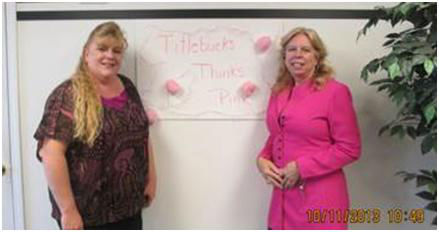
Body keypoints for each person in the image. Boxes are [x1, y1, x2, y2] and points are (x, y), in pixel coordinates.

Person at [34, 21, 156, 230]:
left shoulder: (127, 86)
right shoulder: (67, 95)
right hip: (86, 213)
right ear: (86, 54)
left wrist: (151, 178)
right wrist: (68, 211)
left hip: (129, 206)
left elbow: (142, 135)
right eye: (102, 48)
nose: (110, 55)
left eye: (117, 51)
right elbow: (51, 154)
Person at [256, 27, 361, 229]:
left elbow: (350, 148)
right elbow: (278, 135)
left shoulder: (335, 92)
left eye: (305, 49)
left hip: (320, 201)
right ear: (284, 56)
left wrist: (301, 168)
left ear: (317, 56)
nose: (297, 54)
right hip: (281, 203)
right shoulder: (278, 92)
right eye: (291, 49)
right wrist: (262, 159)